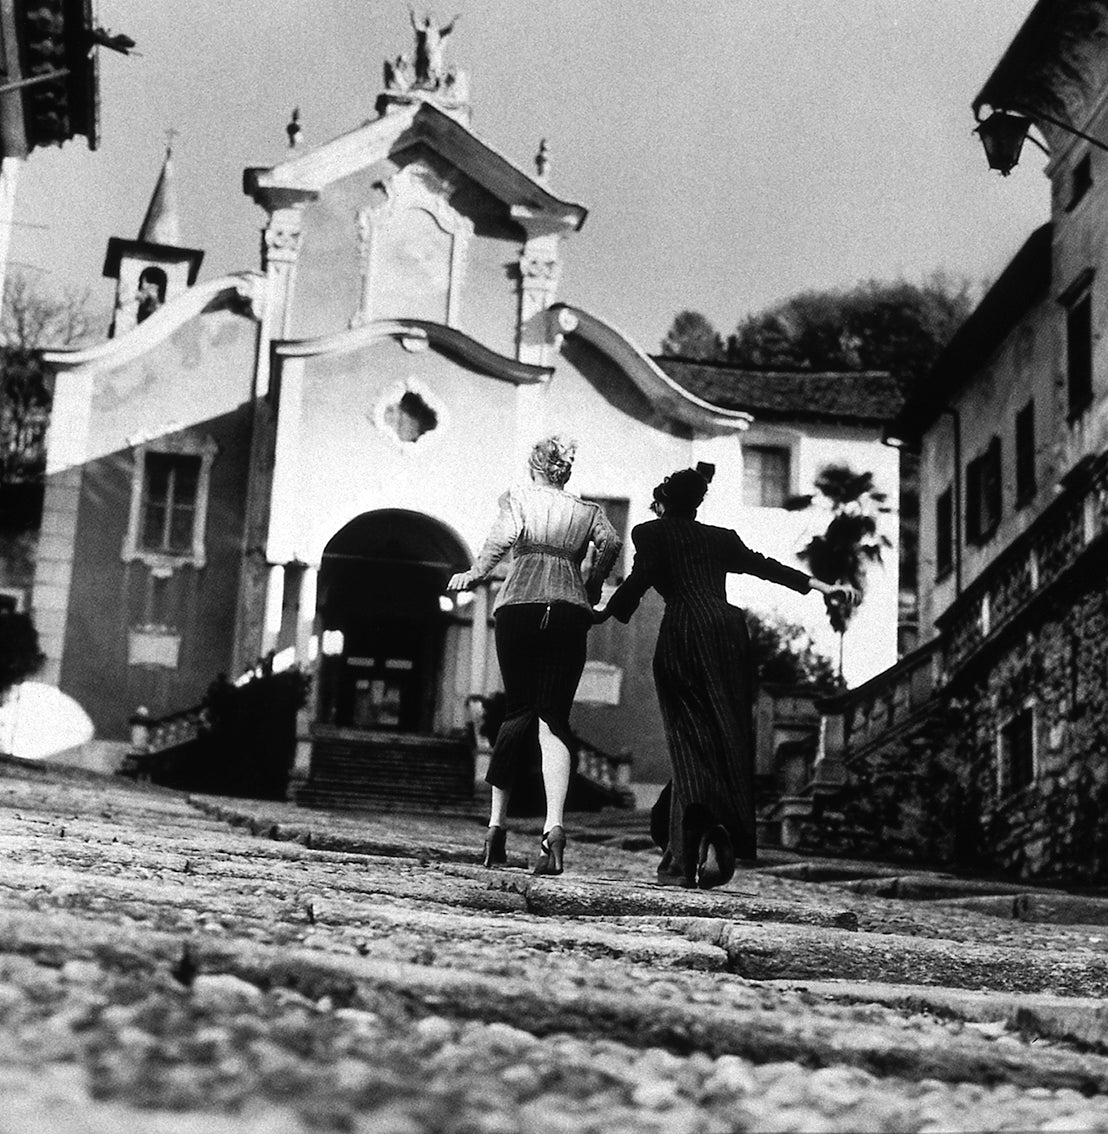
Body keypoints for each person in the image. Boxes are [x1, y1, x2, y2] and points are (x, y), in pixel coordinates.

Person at [593, 468, 859, 890]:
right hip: (730, 634)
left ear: (662, 503)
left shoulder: (650, 533)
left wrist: (598, 614)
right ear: (696, 504)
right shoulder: (721, 538)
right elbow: (764, 567)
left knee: (687, 740)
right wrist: (822, 586)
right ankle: (693, 839)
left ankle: (689, 850)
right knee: (720, 740)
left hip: (684, 631)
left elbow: (638, 582)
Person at [447, 436, 621, 875]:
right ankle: (554, 830)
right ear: (566, 470)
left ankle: (495, 831)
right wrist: (593, 585)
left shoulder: (518, 498)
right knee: (554, 720)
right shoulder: (589, 512)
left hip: (520, 608)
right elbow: (612, 544)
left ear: (534, 467)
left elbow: (501, 538)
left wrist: (474, 573)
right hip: (568, 612)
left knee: (517, 712)